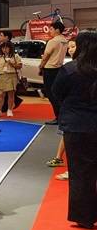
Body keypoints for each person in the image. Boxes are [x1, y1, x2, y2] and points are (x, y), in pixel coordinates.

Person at [51, 30, 97, 229]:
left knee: (80, 173)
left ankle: (85, 217)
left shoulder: (70, 69)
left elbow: (56, 92)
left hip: (76, 126)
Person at [46, 38, 78, 171]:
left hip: (79, 112)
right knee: (66, 134)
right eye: (69, 47)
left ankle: (72, 170)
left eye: (73, 46)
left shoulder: (74, 68)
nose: (70, 50)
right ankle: (59, 158)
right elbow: (57, 91)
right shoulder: (69, 67)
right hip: (71, 111)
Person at [39, 20, 68, 124]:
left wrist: (41, 66)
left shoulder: (53, 41)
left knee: (51, 94)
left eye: (51, 29)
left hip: (50, 69)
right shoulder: (65, 40)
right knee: (58, 93)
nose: (49, 31)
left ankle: (58, 117)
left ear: (57, 30)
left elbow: (46, 56)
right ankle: (62, 116)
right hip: (59, 68)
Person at [0, 41, 22, 117]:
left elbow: (19, 66)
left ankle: (9, 110)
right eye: (3, 48)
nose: (4, 49)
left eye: (6, 48)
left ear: (10, 48)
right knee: (1, 94)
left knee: (11, 95)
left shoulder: (15, 56)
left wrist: (11, 63)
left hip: (11, 76)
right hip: (2, 76)